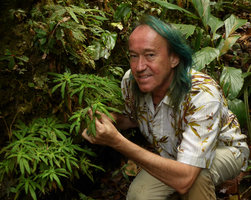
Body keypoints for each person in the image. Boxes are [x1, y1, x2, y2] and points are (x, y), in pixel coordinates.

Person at [81, 16, 249, 200]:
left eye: (150, 55)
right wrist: (107, 120)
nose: (139, 67)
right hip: (173, 152)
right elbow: (133, 118)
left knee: (196, 177)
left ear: (174, 58)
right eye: (134, 56)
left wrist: (116, 141)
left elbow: (185, 177)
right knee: (139, 195)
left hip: (224, 149)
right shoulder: (131, 82)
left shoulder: (202, 95)